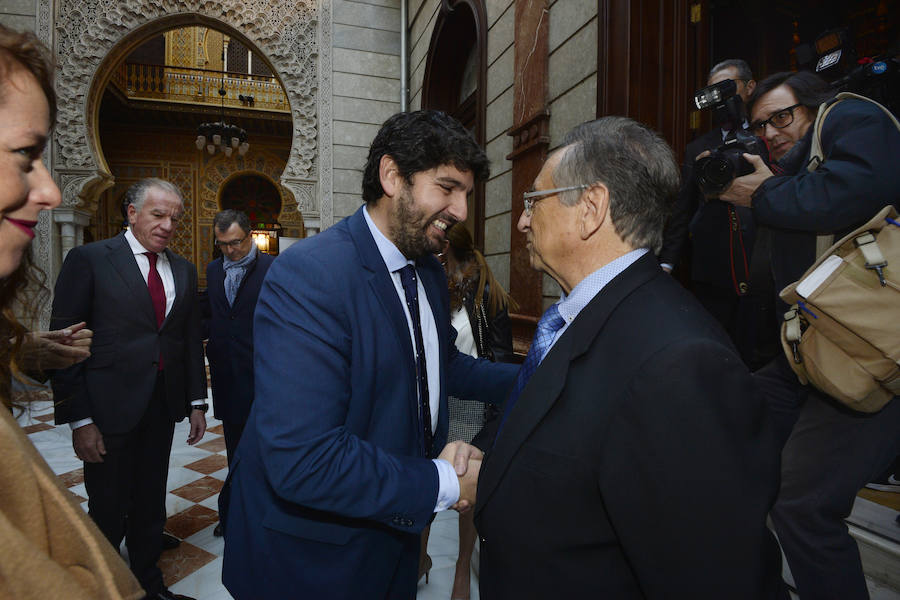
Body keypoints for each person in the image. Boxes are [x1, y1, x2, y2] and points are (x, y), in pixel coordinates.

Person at [474, 116, 786, 599]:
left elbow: (715, 575)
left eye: (534, 200)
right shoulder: (584, 313)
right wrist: (485, 453)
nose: (522, 219)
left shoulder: (681, 364)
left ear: (591, 208)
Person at [222, 110, 519, 600]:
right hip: (315, 559)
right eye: (447, 188)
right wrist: (443, 481)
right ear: (391, 176)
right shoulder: (311, 274)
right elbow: (305, 458)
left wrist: (540, 374)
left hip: (390, 534)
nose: (462, 210)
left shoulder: (425, 270)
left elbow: (442, 364)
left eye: (466, 193)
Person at [719, 70, 900, 599]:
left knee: (802, 504)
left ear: (814, 108)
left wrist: (764, 195)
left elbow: (858, 191)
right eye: (760, 125)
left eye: (783, 116)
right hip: (811, 353)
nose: (772, 132)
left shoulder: (853, 116)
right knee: (727, 427)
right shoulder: (791, 180)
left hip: (874, 355)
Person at [0, 23, 145, 599]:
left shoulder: (182, 271)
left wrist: (20, 349)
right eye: (25, 155)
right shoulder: (89, 259)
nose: (52, 190)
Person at [51, 177, 209, 600]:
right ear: (132, 212)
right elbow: (63, 346)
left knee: (149, 502)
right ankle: (102, 586)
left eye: (175, 218)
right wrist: (79, 419)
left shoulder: (183, 268)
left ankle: (147, 585)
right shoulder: (89, 260)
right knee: (106, 506)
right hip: (106, 411)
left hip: (160, 408)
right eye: (158, 215)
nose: (167, 225)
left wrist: (196, 401)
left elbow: (187, 340)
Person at [659, 59, 776, 369]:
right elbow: (683, 208)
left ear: (750, 87)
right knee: (716, 355)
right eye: (713, 91)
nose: (720, 98)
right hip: (713, 270)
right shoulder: (699, 147)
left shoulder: (773, 135)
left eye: (727, 87)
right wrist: (667, 263)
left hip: (764, 263)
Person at [436, 223, 516, 599]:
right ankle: (419, 555)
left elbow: (496, 360)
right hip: (434, 401)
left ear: (446, 246)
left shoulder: (487, 295)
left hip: (471, 406)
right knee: (426, 479)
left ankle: (462, 568)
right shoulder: (428, 285)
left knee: (467, 488)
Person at [202, 209, 274, 537]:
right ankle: (234, 514)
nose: (230, 251)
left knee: (263, 452)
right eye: (222, 245)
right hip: (227, 379)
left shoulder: (274, 269)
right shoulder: (214, 271)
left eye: (235, 243)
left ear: (249, 236)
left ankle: (263, 515)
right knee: (234, 451)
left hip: (263, 380)